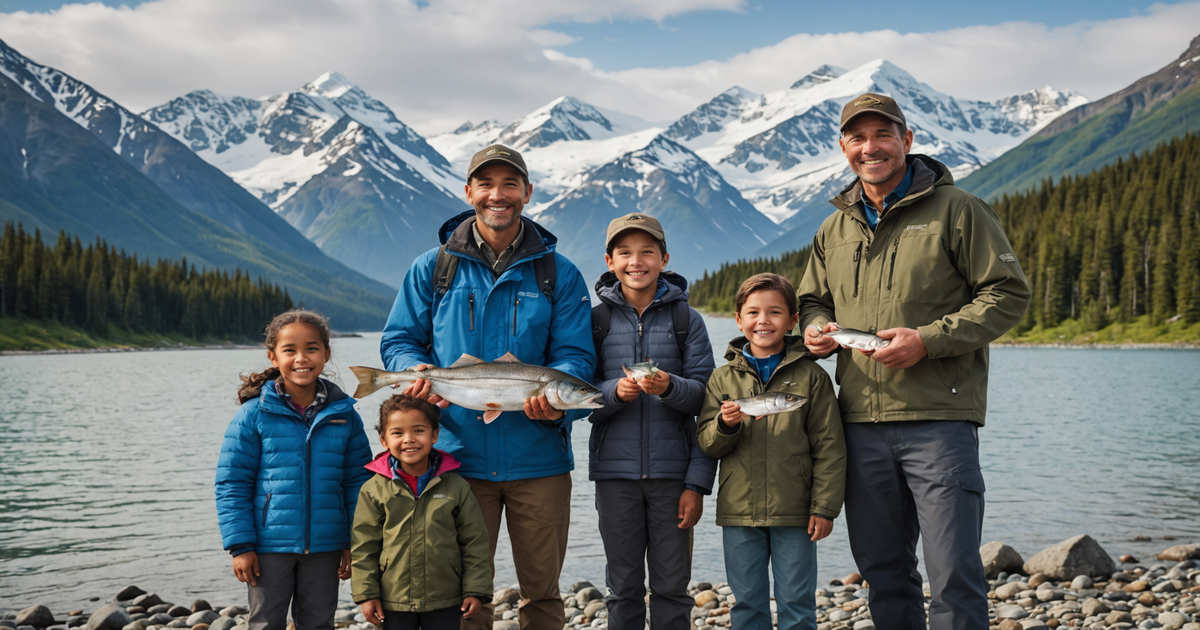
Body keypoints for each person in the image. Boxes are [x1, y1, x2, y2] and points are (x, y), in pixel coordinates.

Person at [798, 92, 1031, 630]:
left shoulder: (959, 210)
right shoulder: (833, 229)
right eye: (857, 138)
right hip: (858, 421)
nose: (870, 147)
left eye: (883, 135)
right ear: (844, 147)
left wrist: (928, 339)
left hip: (939, 421)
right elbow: (812, 300)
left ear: (906, 140)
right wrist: (813, 329)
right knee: (884, 571)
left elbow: (1006, 294)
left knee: (953, 572)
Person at [379, 144, 596, 630]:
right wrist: (414, 369)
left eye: (510, 185)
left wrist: (561, 410)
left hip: (539, 462)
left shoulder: (558, 272)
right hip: (456, 459)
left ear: (527, 192)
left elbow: (578, 357)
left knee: (542, 594)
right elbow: (398, 340)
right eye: (487, 184)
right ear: (469, 192)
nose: (498, 195)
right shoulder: (431, 268)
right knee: (463, 594)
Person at [587, 213, 716, 630]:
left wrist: (667, 387)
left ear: (664, 258)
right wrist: (614, 394)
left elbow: (705, 398)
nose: (635, 261)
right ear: (610, 260)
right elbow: (578, 396)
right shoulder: (595, 321)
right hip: (614, 477)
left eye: (647, 252)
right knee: (622, 588)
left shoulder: (687, 320)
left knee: (672, 588)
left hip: (673, 478)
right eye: (625, 252)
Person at [697, 273, 846, 630]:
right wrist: (725, 425)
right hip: (738, 512)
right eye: (753, 312)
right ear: (739, 319)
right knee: (747, 604)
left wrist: (824, 508)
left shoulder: (812, 377)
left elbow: (830, 447)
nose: (763, 320)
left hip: (796, 512)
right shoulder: (721, 379)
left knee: (797, 602)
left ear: (794, 320)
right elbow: (708, 443)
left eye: (775, 312)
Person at [216, 309, 374, 630]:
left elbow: (358, 482)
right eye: (290, 350)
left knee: (318, 624)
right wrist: (241, 546)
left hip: (326, 545)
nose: (302, 358)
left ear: (326, 354)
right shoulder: (253, 415)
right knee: (265, 624)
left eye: (312, 348)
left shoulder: (344, 415)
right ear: (273, 357)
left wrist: (353, 541)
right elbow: (232, 483)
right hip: (268, 545)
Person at [351, 394, 491, 630]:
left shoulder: (456, 487)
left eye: (418, 431)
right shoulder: (373, 489)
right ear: (383, 439)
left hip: (445, 598)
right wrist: (367, 594)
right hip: (392, 600)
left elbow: (474, 542)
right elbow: (364, 546)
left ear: (434, 435)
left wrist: (475, 590)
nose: (409, 440)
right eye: (397, 433)